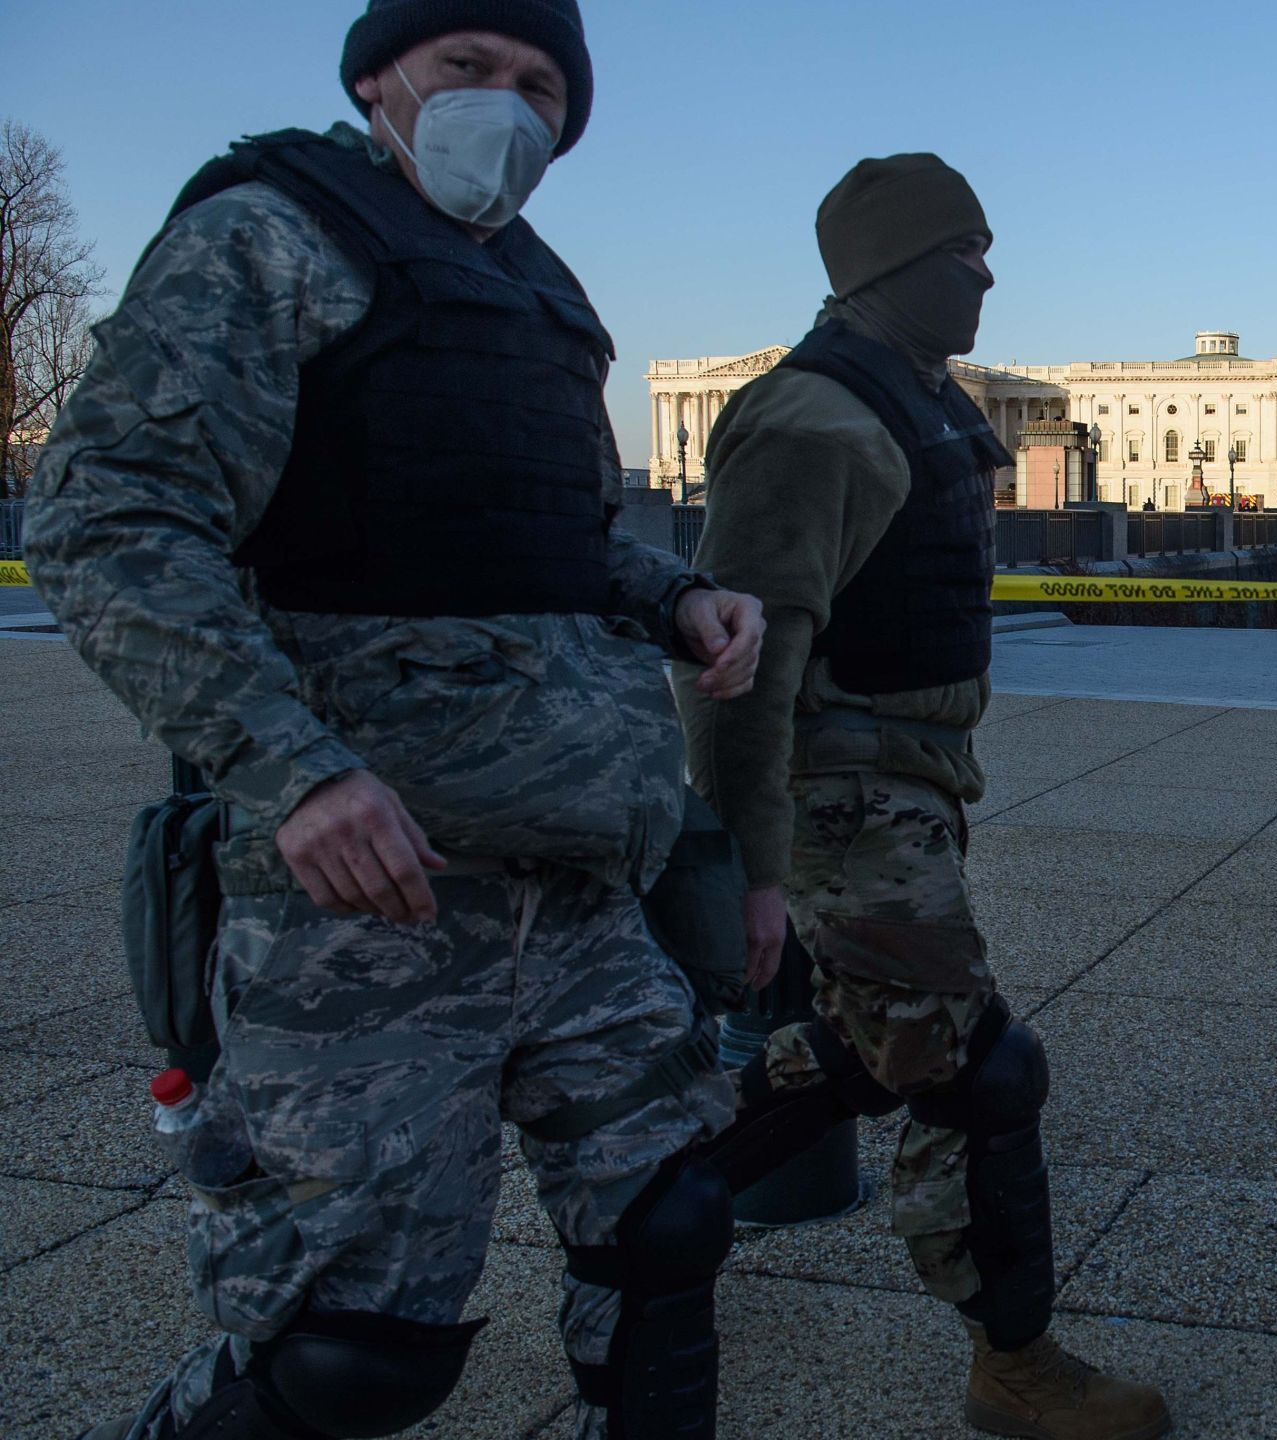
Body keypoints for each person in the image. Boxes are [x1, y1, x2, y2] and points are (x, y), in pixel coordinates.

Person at [26, 3, 770, 1436]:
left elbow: (530, 533)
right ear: (380, 80)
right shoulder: (268, 236)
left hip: (580, 886)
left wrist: (678, 598)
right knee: (353, 1346)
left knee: (670, 1224)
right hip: (371, 894)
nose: (509, 106)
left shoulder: (537, 286)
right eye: (468, 69)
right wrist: (293, 771)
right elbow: (111, 518)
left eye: (542, 87)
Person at [675, 156, 1171, 1440]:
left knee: (882, 1042)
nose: (989, 272)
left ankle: (644, 1202)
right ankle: (1013, 1364)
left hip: (906, 784)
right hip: (844, 796)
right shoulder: (810, 421)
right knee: (982, 1072)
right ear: (893, 267)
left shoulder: (911, 404)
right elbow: (739, 663)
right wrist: (747, 867)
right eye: (966, 249)